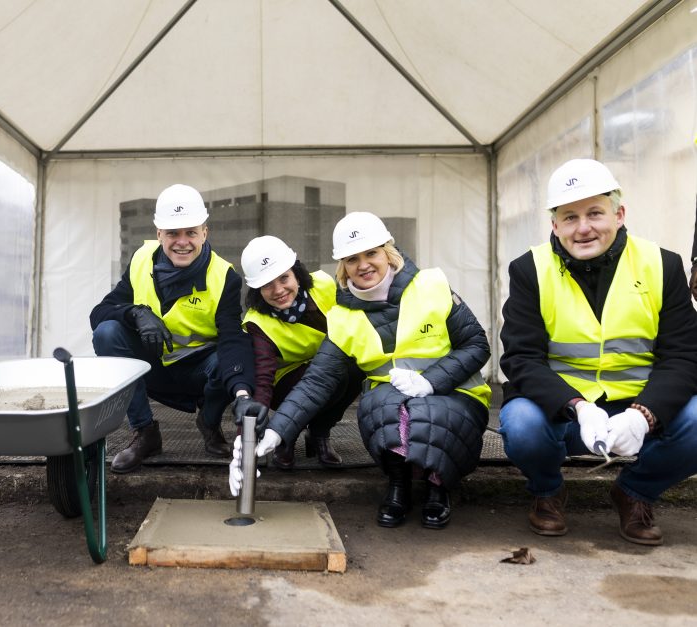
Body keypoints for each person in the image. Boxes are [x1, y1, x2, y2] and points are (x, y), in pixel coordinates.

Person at [231, 212, 491, 529]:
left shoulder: (431, 285)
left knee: (435, 411)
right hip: (392, 397)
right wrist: (275, 432)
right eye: (352, 259)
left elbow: (477, 343)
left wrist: (430, 382)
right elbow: (315, 383)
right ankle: (399, 486)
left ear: (388, 252)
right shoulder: (344, 317)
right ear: (344, 266)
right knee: (379, 407)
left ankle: (439, 489)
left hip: (453, 392)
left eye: (371, 253)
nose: (364, 265)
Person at [498, 158, 697, 545]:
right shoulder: (529, 269)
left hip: (640, 411)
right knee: (520, 423)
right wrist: (578, 406)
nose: (583, 227)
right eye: (569, 217)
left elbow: (684, 356)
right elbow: (521, 359)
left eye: (595, 213)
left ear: (619, 214)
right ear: (554, 225)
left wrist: (644, 415)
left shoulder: (662, 264)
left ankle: (635, 492)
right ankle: (548, 491)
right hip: (566, 415)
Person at [90, 183, 267, 474]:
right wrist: (135, 313)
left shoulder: (224, 276)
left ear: (204, 233)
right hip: (152, 370)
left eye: (191, 232)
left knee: (240, 351)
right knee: (107, 332)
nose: (182, 241)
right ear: (159, 234)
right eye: (173, 233)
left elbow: (232, 339)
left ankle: (209, 425)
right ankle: (146, 433)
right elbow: (99, 314)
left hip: (199, 375)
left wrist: (242, 396)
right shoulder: (141, 260)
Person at [239, 235, 363, 469]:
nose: (278, 290)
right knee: (328, 373)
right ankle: (287, 435)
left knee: (354, 368)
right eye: (267, 285)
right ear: (256, 289)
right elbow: (263, 380)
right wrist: (247, 436)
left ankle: (319, 433)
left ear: (296, 273)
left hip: (331, 369)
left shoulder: (325, 285)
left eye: (284, 278)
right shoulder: (257, 323)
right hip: (286, 386)